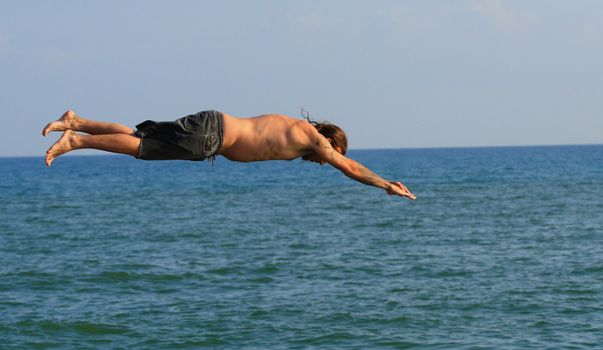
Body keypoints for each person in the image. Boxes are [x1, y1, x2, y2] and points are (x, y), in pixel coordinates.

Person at [42, 110, 416, 200]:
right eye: (332, 153)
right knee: (142, 149)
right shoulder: (314, 138)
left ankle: (76, 120)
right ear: (331, 143)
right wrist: (385, 184)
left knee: (141, 135)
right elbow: (348, 167)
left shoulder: (297, 130)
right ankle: (76, 141)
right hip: (211, 138)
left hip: (212, 126)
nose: (325, 161)